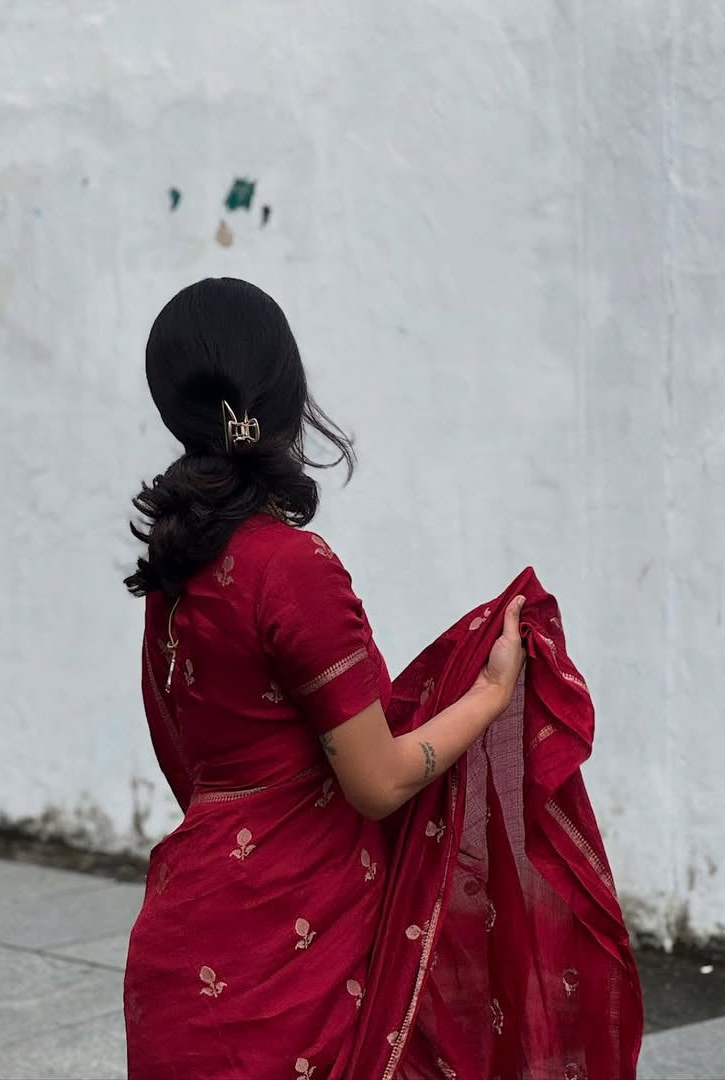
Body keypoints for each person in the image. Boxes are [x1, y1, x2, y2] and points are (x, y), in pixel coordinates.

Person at [122, 278, 642, 1079]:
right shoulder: (292, 567)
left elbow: (192, 766)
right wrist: (490, 694)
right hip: (284, 965)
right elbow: (376, 781)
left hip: (184, 944)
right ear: (287, 394)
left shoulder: (171, 572)